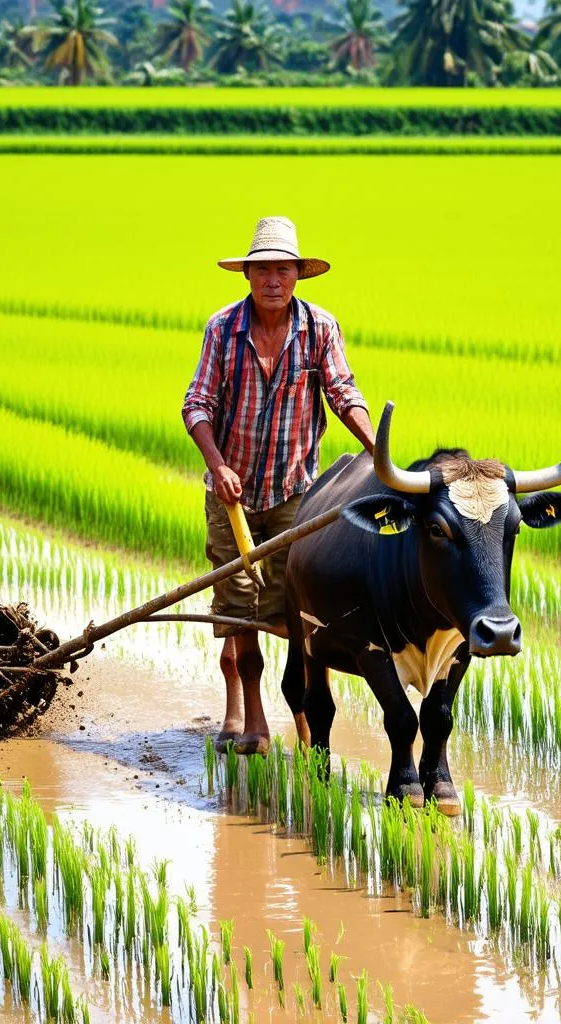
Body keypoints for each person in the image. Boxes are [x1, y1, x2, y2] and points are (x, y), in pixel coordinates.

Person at [182, 216, 375, 756]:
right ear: (247, 276)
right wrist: (218, 465)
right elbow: (197, 403)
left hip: (296, 493)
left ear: (297, 275)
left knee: (301, 609)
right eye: (263, 268)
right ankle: (254, 721)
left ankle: (311, 721)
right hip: (233, 495)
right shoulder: (222, 329)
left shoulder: (319, 328)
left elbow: (342, 392)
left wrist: (376, 449)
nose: (273, 278)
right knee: (239, 608)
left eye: (283, 269)